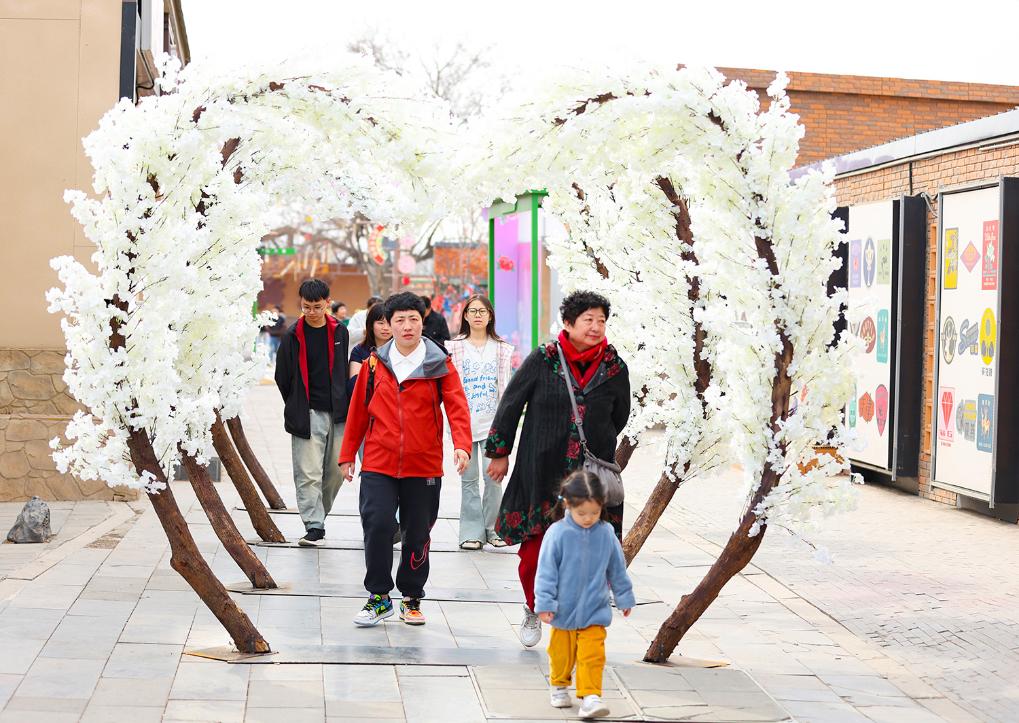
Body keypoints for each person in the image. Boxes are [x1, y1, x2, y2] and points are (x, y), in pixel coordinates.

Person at [486, 290, 630, 648]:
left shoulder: (614, 367)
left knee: (587, 547)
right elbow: (511, 403)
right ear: (568, 323)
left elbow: (620, 415)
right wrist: (499, 452)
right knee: (535, 549)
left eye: (601, 320)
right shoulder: (544, 359)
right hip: (542, 467)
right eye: (588, 320)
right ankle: (534, 605)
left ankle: (575, 617)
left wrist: (594, 437)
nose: (595, 327)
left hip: (588, 476)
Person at [339, 292, 472, 627]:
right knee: (377, 523)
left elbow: (457, 405)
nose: (407, 326)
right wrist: (347, 454)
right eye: (399, 320)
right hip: (378, 461)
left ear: (422, 321)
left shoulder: (439, 362)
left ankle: (411, 597)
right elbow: (358, 411)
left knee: (417, 533)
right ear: (388, 324)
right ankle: (379, 597)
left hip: (423, 463)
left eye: (413, 319)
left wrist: (462, 445)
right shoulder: (374, 363)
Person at [535, 471, 634, 720]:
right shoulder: (557, 533)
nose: (588, 518)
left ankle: (591, 696)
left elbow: (617, 569)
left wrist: (623, 597)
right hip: (563, 610)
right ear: (567, 504)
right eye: (582, 513)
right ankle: (559, 684)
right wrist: (545, 603)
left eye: (594, 512)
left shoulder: (606, 534)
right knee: (561, 654)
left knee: (593, 655)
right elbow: (546, 572)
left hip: (595, 610)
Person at [274, 279, 350, 547]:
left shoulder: (340, 331)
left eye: (317, 307)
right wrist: (296, 403)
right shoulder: (292, 335)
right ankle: (314, 525)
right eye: (306, 307)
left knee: (336, 471)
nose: (312, 312)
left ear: (328, 303)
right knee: (308, 472)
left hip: (338, 412)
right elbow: (282, 376)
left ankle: (319, 515)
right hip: (307, 412)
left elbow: (342, 370)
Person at [445, 295, 513, 550]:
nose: (477, 315)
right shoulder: (453, 348)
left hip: (493, 424)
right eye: (472, 311)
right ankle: (471, 533)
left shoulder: (502, 349)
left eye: (482, 311)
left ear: (490, 316)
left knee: (493, 477)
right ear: (465, 316)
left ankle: (494, 529)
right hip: (463, 424)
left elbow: (506, 389)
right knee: (469, 479)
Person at [348, 302, 392, 393]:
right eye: (381, 323)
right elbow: (354, 384)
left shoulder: (400, 350)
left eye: (390, 323)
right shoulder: (359, 351)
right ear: (371, 325)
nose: (386, 328)